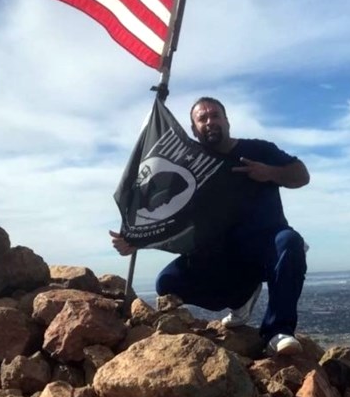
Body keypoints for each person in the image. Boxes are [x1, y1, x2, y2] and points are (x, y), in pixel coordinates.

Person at [110, 97, 310, 356]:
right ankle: (241, 298)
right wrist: (135, 240)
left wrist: (270, 172)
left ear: (226, 121)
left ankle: (278, 332)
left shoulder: (258, 150)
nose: (209, 122)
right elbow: (168, 212)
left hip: (263, 245)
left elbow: (302, 175)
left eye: (215, 116)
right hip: (217, 254)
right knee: (167, 283)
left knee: (290, 242)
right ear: (193, 129)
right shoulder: (187, 162)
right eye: (202, 119)